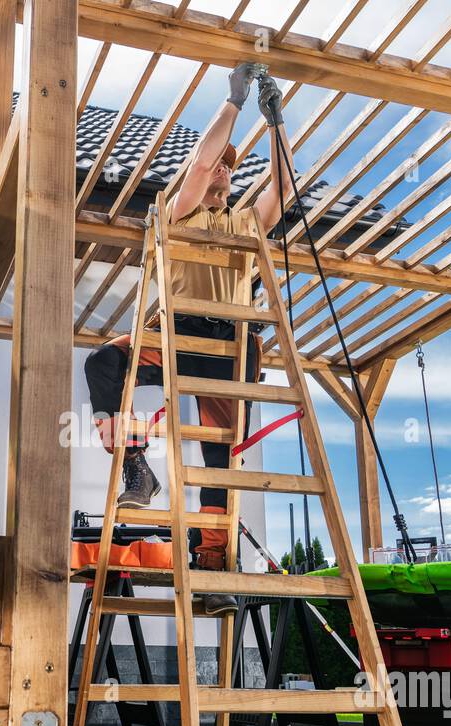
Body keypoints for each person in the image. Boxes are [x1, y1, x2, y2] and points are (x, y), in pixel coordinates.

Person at [84, 63, 294, 614]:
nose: (222, 172)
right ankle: (135, 463)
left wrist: (276, 125)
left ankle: (211, 565)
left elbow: (285, 190)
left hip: (229, 344)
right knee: (106, 364)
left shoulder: (246, 224)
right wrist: (234, 101)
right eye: (218, 167)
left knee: (219, 460)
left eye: (230, 168)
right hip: (176, 332)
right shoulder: (175, 213)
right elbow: (200, 162)